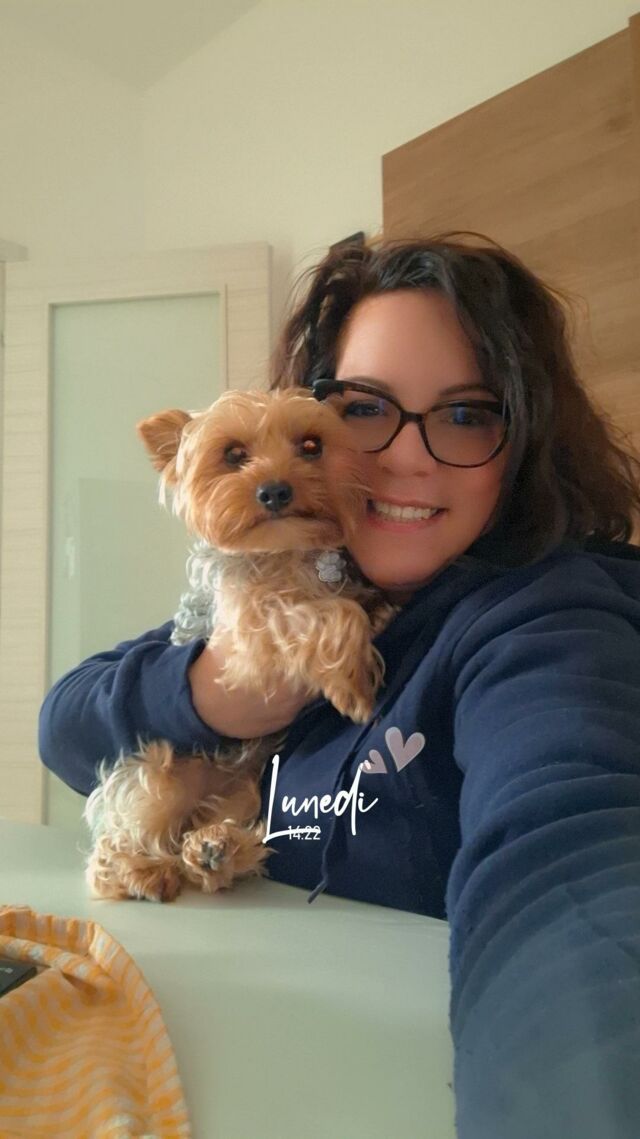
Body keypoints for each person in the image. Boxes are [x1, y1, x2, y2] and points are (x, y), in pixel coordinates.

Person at [39, 235, 640, 1139]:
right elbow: (64, 723)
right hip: (229, 1055)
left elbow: (570, 871)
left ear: (524, 443)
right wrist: (214, 692)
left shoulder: (546, 622)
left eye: (466, 414)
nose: (401, 459)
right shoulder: (289, 578)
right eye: (364, 408)